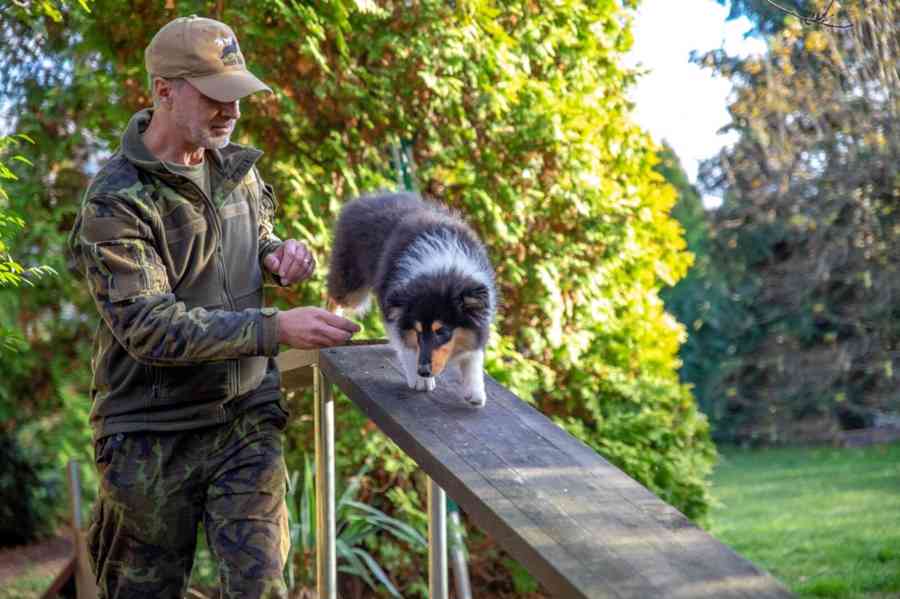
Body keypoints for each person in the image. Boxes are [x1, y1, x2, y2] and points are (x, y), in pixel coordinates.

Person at [66, 15, 359, 599]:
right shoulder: (114, 202)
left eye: (238, 96)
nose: (232, 111)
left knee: (261, 590)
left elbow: (254, 240)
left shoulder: (236, 172)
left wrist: (279, 257)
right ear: (164, 91)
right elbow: (148, 328)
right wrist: (277, 328)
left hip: (246, 418)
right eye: (216, 97)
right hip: (150, 435)